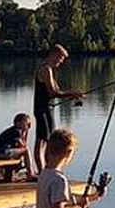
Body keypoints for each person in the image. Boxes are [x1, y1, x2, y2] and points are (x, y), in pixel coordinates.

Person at [32, 45, 85, 176]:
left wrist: (72, 94)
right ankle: (42, 172)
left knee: (49, 140)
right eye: (60, 59)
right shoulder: (45, 69)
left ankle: (47, 169)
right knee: (41, 140)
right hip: (41, 108)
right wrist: (72, 94)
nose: (60, 62)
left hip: (47, 107)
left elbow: (56, 89)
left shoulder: (48, 69)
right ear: (54, 54)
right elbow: (53, 93)